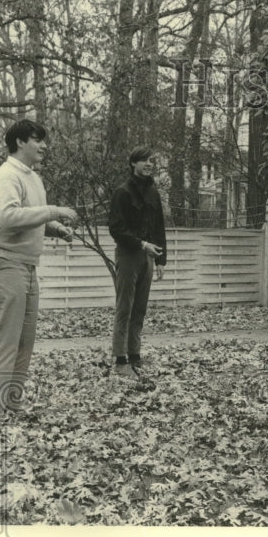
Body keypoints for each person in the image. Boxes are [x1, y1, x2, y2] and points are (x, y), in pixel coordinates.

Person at [0, 120, 78, 420]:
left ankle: (11, 409)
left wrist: (55, 228)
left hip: (25, 266)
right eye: (37, 139)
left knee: (23, 344)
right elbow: (7, 217)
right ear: (20, 142)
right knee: (4, 343)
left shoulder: (31, 177)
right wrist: (53, 211)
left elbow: (27, 217)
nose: (44, 146)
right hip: (1, 265)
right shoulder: (6, 175)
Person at [108, 147, 167, 379]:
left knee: (140, 309)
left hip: (148, 257)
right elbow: (117, 230)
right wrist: (142, 245)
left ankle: (134, 355)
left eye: (151, 160)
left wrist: (161, 259)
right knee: (125, 308)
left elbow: (158, 227)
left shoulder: (153, 192)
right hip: (128, 254)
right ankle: (120, 359)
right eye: (143, 160)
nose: (148, 164)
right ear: (133, 164)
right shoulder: (122, 192)